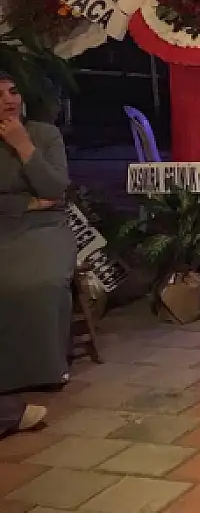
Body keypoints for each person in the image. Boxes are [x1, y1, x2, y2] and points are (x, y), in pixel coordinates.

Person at [0, 70, 73, 394]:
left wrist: (24, 146)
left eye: (14, 92)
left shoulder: (45, 135)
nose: (9, 100)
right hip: (6, 225)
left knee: (43, 283)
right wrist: (26, 203)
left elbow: (55, 189)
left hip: (46, 226)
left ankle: (45, 370)